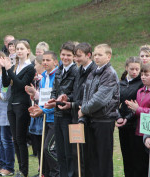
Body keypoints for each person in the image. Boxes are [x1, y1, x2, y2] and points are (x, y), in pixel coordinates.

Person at [55, 42, 97, 177]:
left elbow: (83, 95)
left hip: (79, 115)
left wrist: (70, 101)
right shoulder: (70, 70)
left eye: (71, 55)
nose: (67, 58)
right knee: (67, 152)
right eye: (63, 55)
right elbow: (69, 92)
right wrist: (62, 99)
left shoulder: (84, 71)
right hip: (67, 114)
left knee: (77, 154)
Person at [78, 44, 119, 177]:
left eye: (100, 55)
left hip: (104, 120)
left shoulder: (110, 74)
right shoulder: (94, 72)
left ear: (108, 56)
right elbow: (86, 94)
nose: (96, 57)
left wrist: (83, 109)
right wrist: (84, 112)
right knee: (91, 158)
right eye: (95, 54)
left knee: (103, 159)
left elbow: (100, 99)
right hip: (92, 119)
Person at [0, 40, 36, 177]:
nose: (19, 51)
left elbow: (21, 85)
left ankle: (24, 170)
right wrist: (4, 68)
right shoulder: (14, 66)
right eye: (18, 49)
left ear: (28, 51)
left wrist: (9, 69)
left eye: (22, 49)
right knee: (15, 138)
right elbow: (5, 83)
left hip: (22, 104)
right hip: (12, 104)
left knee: (21, 139)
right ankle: (19, 168)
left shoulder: (30, 67)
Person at [44, 42, 78, 177]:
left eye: (68, 55)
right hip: (57, 114)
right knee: (60, 151)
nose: (65, 57)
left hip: (69, 115)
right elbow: (54, 90)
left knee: (69, 152)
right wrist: (53, 100)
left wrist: (64, 99)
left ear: (74, 56)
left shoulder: (76, 72)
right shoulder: (59, 70)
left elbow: (76, 93)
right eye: (63, 54)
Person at [27, 51, 60, 177]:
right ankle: (45, 173)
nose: (45, 63)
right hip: (46, 118)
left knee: (49, 149)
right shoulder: (43, 78)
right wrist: (37, 108)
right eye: (43, 60)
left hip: (55, 119)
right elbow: (44, 100)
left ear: (55, 62)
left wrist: (43, 110)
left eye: (48, 60)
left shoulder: (57, 76)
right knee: (43, 149)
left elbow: (56, 101)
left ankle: (57, 173)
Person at [116, 57, 143, 177]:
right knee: (126, 156)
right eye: (132, 69)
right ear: (126, 68)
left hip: (135, 124)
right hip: (122, 124)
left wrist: (127, 117)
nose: (134, 72)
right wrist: (118, 117)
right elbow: (114, 102)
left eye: (137, 69)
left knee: (137, 158)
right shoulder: (120, 83)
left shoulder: (141, 83)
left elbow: (139, 104)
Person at [126, 63, 150, 177]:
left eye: (146, 75)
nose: (143, 77)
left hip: (149, 131)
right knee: (139, 163)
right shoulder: (140, 91)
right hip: (140, 131)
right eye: (142, 75)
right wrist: (132, 109)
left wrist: (138, 109)